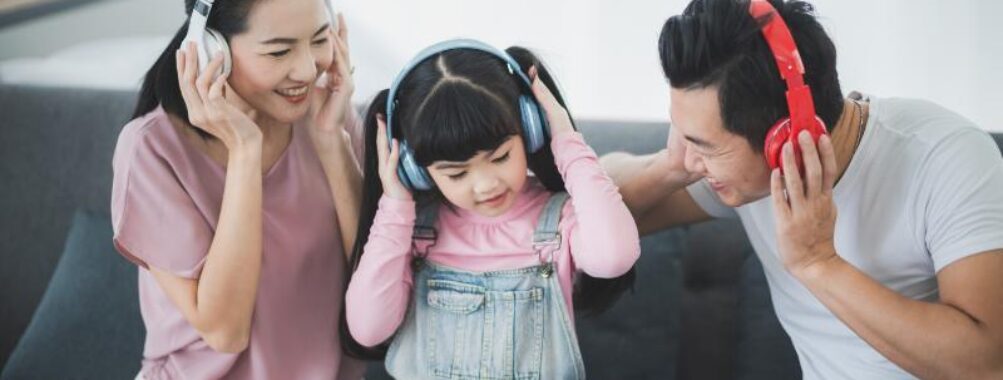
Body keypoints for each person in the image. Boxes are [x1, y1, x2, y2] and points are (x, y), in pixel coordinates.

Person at [602, 0, 1003, 378]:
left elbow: (986, 363)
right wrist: (668, 166)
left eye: (705, 147)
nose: (692, 160)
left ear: (786, 138)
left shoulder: (947, 157)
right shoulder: (738, 179)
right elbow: (583, 212)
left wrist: (818, 263)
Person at [342, 40, 640, 379]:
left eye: (500, 157)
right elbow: (367, 328)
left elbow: (615, 256)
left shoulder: (558, 221)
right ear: (416, 168)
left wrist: (565, 137)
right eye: (456, 173)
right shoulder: (413, 233)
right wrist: (395, 203)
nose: (486, 184)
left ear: (531, 129)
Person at [110, 0, 365, 378]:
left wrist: (332, 142)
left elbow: (378, 298)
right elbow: (226, 333)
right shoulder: (151, 149)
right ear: (213, 48)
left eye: (319, 39)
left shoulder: (328, 113)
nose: (308, 69)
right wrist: (245, 150)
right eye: (279, 51)